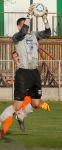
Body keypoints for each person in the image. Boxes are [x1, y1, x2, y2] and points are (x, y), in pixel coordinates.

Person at [0, 4, 51, 138]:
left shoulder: (34, 35)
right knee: (17, 106)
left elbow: (48, 33)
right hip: (23, 73)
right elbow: (24, 31)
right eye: (24, 25)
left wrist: (45, 19)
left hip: (34, 72)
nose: (27, 28)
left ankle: (22, 115)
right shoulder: (16, 37)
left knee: (35, 103)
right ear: (19, 27)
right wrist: (29, 15)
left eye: (27, 25)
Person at [0, 51, 50, 138]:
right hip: (22, 90)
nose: (15, 58)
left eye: (16, 56)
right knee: (16, 110)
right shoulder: (18, 68)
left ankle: (20, 118)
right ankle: (4, 131)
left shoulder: (24, 64)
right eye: (14, 57)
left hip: (29, 90)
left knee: (31, 105)